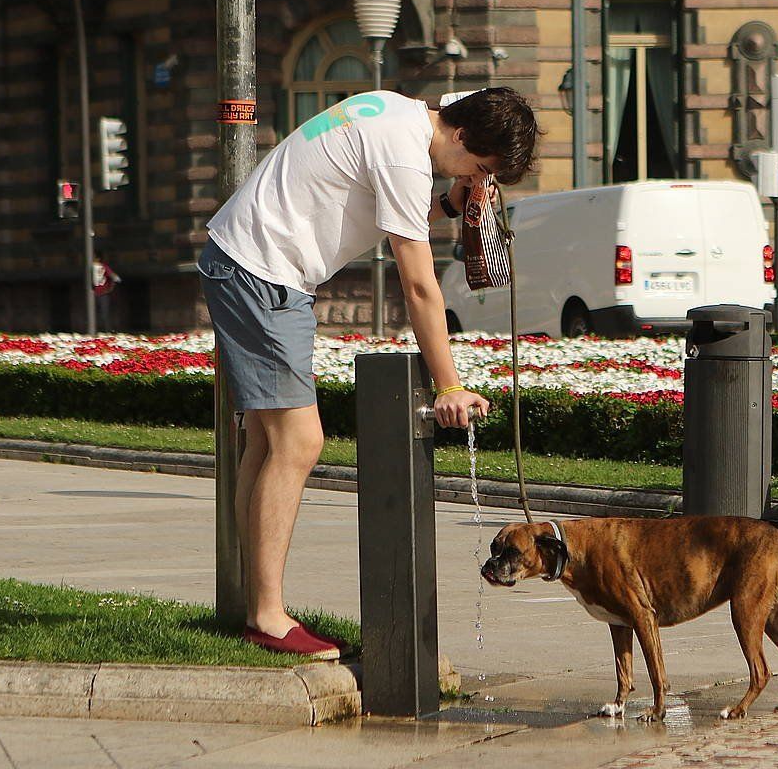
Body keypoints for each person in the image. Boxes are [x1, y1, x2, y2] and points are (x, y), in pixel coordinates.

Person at [199, 88, 539, 658]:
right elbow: (420, 287)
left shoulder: (398, 110)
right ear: (459, 136)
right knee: (299, 443)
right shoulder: (406, 154)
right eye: (479, 168)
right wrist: (449, 385)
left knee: (266, 443)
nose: (477, 179)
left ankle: (255, 605)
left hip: (253, 264)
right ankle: (266, 617)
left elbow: (395, 203)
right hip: (261, 274)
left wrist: (454, 203)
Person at [92, 251, 122, 332]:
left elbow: (116, 278)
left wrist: (109, 289)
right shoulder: (89, 268)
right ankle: (95, 330)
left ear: (98, 258)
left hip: (102, 294)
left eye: (93, 257)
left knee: (104, 313)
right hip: (92, 294)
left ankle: (107, 330)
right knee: (93, 313)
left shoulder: (103, 267)